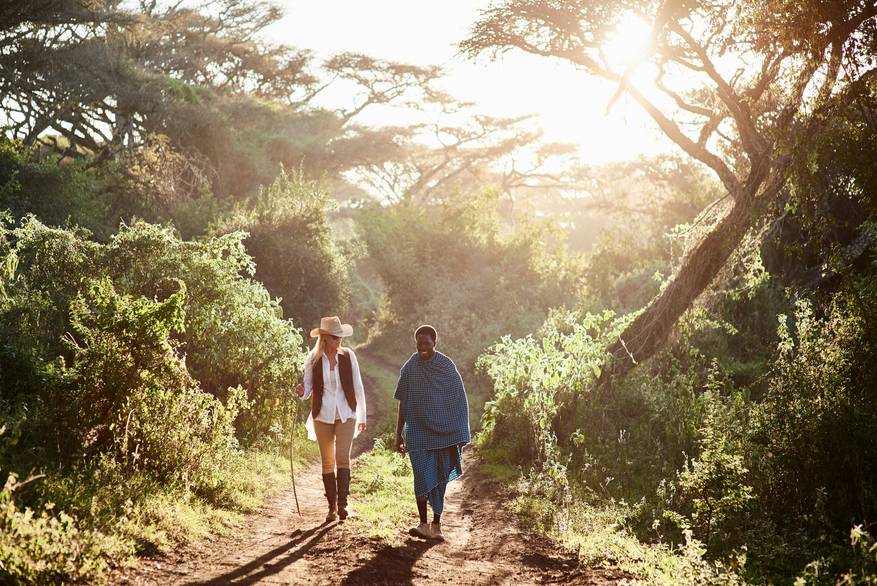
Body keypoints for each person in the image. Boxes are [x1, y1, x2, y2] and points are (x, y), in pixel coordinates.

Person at [394, 325, 470, 542]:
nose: (423, 348)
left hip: (444, 432)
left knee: (439, 478)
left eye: (427, 343)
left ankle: (436, 526)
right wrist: (399, 433)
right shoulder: (410, 367)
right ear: (416, 343)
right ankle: (423, 524)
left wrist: (459, 430)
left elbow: (459, 400)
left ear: (434, 344)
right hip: (417, 430)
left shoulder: (446, 366)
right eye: (419, 344)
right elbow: (402, 401)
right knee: (420, 474)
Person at [296, 316, 367, 522]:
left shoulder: (348, 356)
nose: (340, 340)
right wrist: (301, 392)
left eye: (341, 336)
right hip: (323, 415)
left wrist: (361, 416)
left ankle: (343, 504)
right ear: (325, 338)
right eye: (336, 337)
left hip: (346, 414)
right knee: (327, 461)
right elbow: (307, 389)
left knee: (343, 457)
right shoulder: (313, 359)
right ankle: (332, 507)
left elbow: (358, 387)